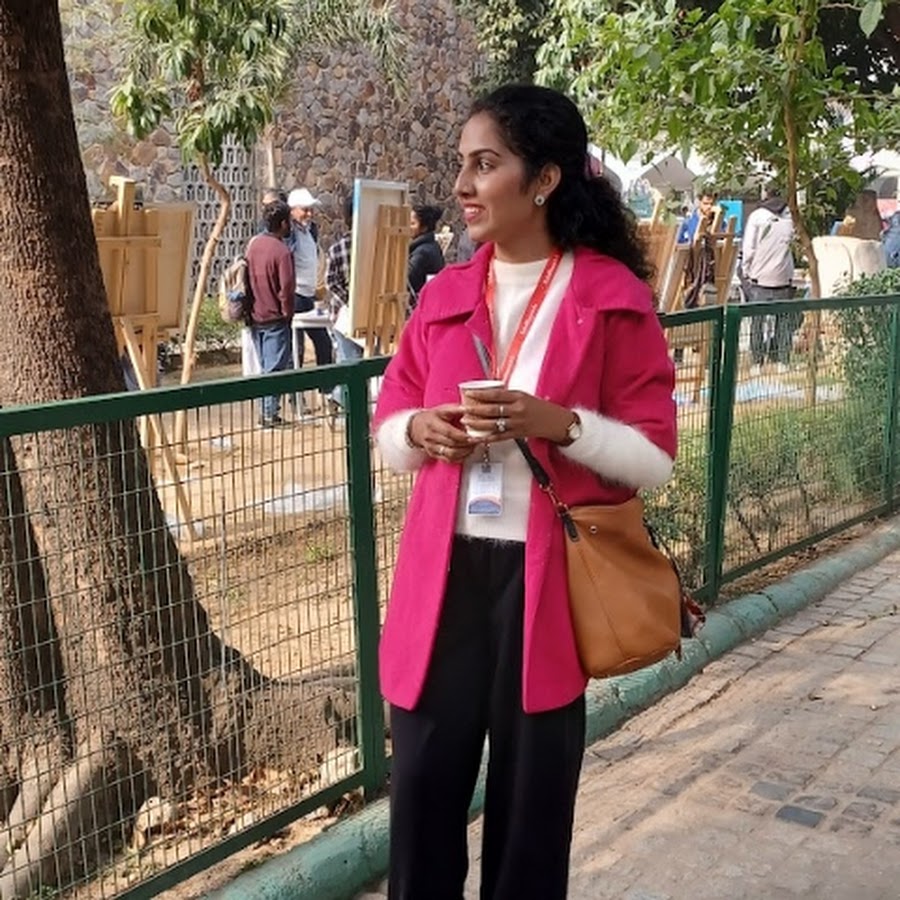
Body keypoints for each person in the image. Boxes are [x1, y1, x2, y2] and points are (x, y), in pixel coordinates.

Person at [373, 84, 676, 900]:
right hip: (443, 576)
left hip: (548, 583)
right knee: (422, 797)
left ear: (543, 180)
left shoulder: (610, 298)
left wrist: (560, 424)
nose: (463, 185)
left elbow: (654, 457)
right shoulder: (443, 294)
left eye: (485, 164)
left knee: (531, 812)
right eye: (462, 165)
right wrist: (419, 431)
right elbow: (390, 420)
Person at [246, 200, 294, 427]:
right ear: (283, 223)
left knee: (265, 366)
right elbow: (287, 288)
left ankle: (265, 411)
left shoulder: (253, 245)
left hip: (255, 316)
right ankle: (268, 414)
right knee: (275, 369)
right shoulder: (282, 251)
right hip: (275, 318)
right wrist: (287, 313)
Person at [742, 185, 797, 374]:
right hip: (784, 277)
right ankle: (783, 360)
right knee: (784, 321)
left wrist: (746, 271)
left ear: (765, 195)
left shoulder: (757, 216)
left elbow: (749, 248)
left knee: (757, 321)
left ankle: (757, 362)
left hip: (761, 277)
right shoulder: (790, 216)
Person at [287, 187, 334, 378]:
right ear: (292, 210)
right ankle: (294, 392)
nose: (309, 214)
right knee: (295, 348)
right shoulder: (289, 232)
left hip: (309, 294)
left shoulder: (310, 230)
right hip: (295, 295)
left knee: (324, 343)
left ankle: (327, 387)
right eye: (304, 210)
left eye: (310, 210)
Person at [325, 195, 364, 409]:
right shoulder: (372, 246)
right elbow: (331, 282)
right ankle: (346, 404)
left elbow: (331, 283)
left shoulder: (337, 249)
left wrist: (350, 302)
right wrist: (352, 304)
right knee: (352, 362)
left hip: (348, 314)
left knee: (350, 362)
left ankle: (341, 399)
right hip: (346, 318)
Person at [407, 203, 445, 307]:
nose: (408, 227)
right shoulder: (432, 245)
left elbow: (407, 282)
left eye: (412, 223)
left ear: (424, 228)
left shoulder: (422, 252)